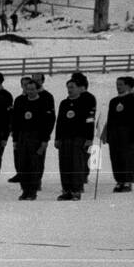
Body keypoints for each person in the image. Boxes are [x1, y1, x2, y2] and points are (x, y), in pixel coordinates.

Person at [54, 72, 96, 201]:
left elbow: (90, 121)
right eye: (68, 87)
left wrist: (89, 138)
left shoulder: (85, 101)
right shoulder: (64, 103)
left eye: (72, 87)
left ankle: (76, 190)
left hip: (79, 138)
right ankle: (66, 190)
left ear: (79, 88)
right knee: (64, 164)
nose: (70, 90)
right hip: (65, 138)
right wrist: (57, 138)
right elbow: (59, 121)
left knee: (76, 164)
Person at [11, 76, 54, 200]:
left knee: (35, 165)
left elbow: (48, 123)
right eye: (27, 89)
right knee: (23, 164)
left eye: (32, 89)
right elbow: (15, 121)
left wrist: (45, 141)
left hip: (37, 137)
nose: (29, 91)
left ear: (37, 90)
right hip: (22, 137)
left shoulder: (43, 102)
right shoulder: (20, 101)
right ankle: (25, 190)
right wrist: (15, 139)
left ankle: (33, 191)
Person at [103, 75, 134, 192]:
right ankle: (119, 180)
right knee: (115, 156)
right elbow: (110, 119)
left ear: (128, 85)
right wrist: (107, 133)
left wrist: (132, 131)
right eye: (117, 84)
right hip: (115, 133)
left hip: (129, 132)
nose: (118, 87)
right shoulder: (114, 101)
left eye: (121, 84)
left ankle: (127, 181)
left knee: (127, 156)